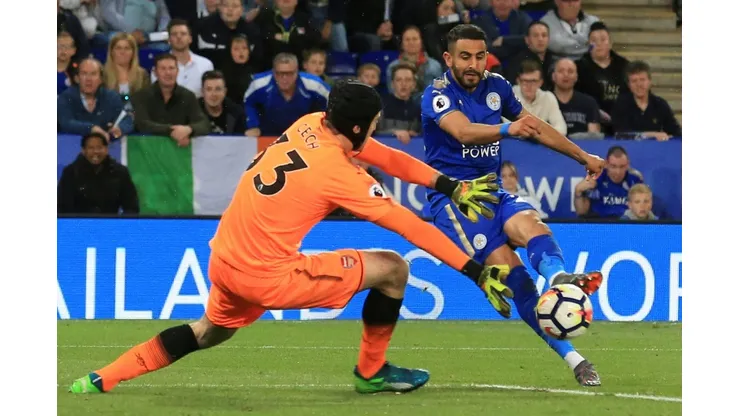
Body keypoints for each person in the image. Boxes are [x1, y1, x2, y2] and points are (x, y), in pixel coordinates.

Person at [69, 80, 515, 395]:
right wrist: (476, 271)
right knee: (394, 269)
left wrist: (449, 187)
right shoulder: (338, 173)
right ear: (356, 127)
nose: (374, 130)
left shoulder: (311, 122)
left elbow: (385, 156)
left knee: (207, 332)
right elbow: (409, 225)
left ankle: (100, 378)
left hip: (224, 257)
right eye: (373, 122)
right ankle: (371, 372)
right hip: (266, 276)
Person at [420, 24, 606, 387]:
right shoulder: (437, 93)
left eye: (479, 56)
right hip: (458, 203)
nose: (473, 64)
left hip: (492, 190)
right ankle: (576, 360)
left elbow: (534, 126)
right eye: (464, 57)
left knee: (533, 224)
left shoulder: (498, 86)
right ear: (448, 59)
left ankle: (558, 279)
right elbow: (463, 131)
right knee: (518, 281)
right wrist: (508, 129)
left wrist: (583, 156)